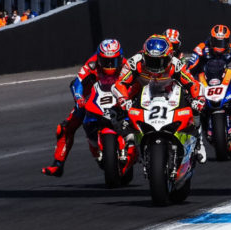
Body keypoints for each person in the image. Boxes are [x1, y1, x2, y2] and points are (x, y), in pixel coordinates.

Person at [113, 34, 205, 160]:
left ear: (169, 57)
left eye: (159, 61)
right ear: (144, 56)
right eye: (151, 60)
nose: (155, 66)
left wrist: (198, 98)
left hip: (170, 93)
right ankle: (125, 142)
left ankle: (198, 142)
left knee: (195, 105)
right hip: (141, 92)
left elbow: (192, 83)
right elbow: (120, 83)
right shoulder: (135, 61)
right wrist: (123, 99)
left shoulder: (176, 64)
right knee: (114, 111)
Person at [41, 39, 125, 177]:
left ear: (120, 58)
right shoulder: (91, 64)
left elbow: (137, 79)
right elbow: (77, 83)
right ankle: (58, 164)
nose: (109, 65)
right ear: (99, 58)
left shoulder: (126, 64)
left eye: (113, 61)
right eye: (105, 61)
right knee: (65, 127)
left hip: (120, 97)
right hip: (94, 97)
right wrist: (79, 98)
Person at [185, 24, 231, 131]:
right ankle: (190, 119)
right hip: (204, 76)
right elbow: (189, 68)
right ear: (211, 39)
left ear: (228, 41)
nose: (220, 46)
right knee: (188, 91)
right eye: (217, 42)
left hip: (224, 75)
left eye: (223, 42)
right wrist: (188, 81)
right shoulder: (201, 48)